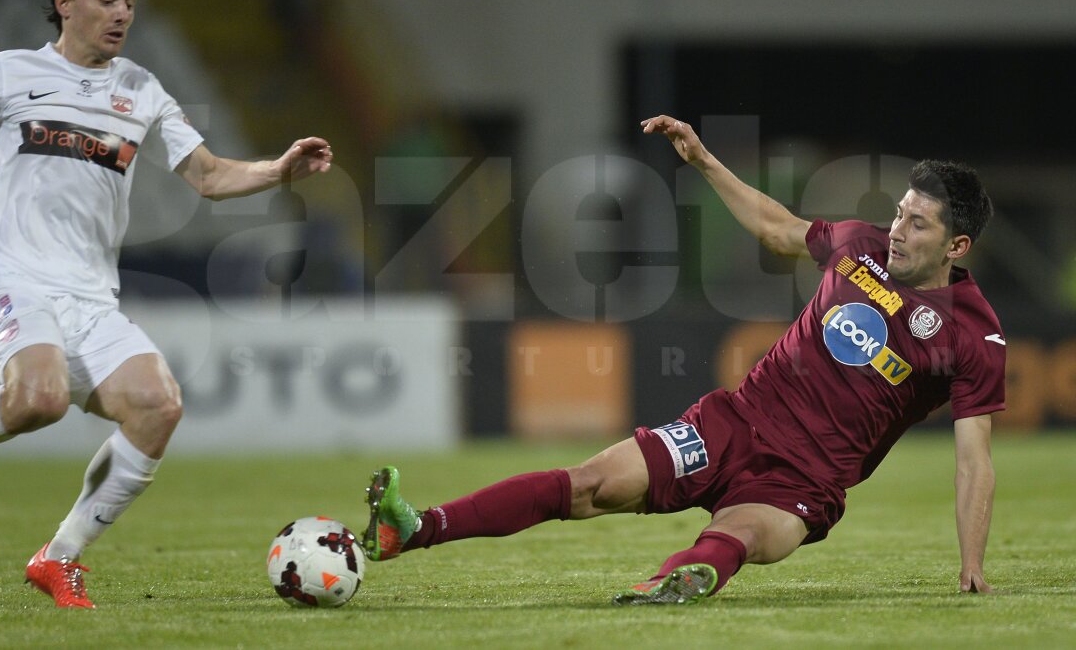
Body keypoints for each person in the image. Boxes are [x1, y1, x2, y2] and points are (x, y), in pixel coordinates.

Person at [363, 114, 1003, 604]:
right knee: (591, 484)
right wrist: (701, 160)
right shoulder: (857, 246)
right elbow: (776, 227)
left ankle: (670, 584)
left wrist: (971, 562)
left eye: (918, 224)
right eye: (899, 212)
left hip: (804, 480)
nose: (896, 229)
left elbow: (974, 457)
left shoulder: (973, 335)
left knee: (741, 534)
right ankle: (415, 527)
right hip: (730, 425)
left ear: (958, 245)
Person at [0, 0, 332, 609]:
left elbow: (206, 175)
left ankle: (57, 559)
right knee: (39, 396)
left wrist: (277, 170)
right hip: (12, 278)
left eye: (131, 2)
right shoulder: (9, 74)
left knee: (158, 405)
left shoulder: (140, 89)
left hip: (90, 297)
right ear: (65, 2)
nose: (122, 14)